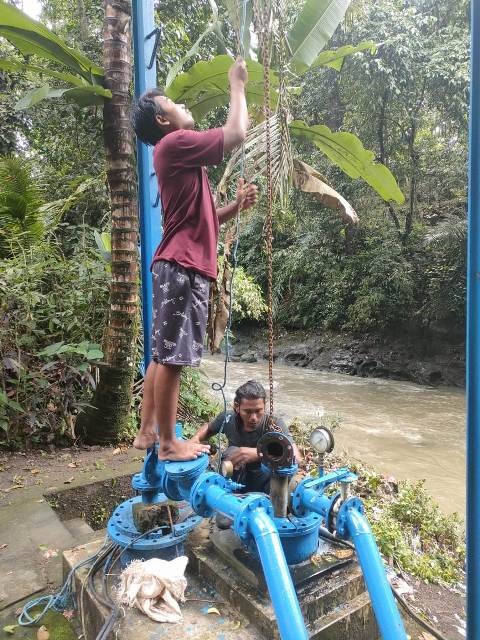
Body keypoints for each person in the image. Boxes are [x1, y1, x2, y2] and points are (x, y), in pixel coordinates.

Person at [130, 58, 258, 461]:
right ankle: (169, 444)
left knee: (160, 354)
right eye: (173, 104)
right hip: (184, 267)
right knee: (173, 358)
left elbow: (203, 221)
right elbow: (237, 132)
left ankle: (148, 432)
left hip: (174, 263)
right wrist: (236, 85)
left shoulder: (181, 159)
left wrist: (234, 208)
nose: (183, 106)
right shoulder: (175, 145)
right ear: (163, 122)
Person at [192, 380, 302, 493]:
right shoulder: (227, 418)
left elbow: (296, 457)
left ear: (264, 406)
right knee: (232, 451)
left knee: (286, 470)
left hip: (265, 482)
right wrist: (195, 440)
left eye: (258, 411)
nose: (253, 417)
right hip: (235, 477)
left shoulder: (274, 424)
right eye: (247, 412)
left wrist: (258, 453)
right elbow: (208, 428)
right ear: (237, 407)